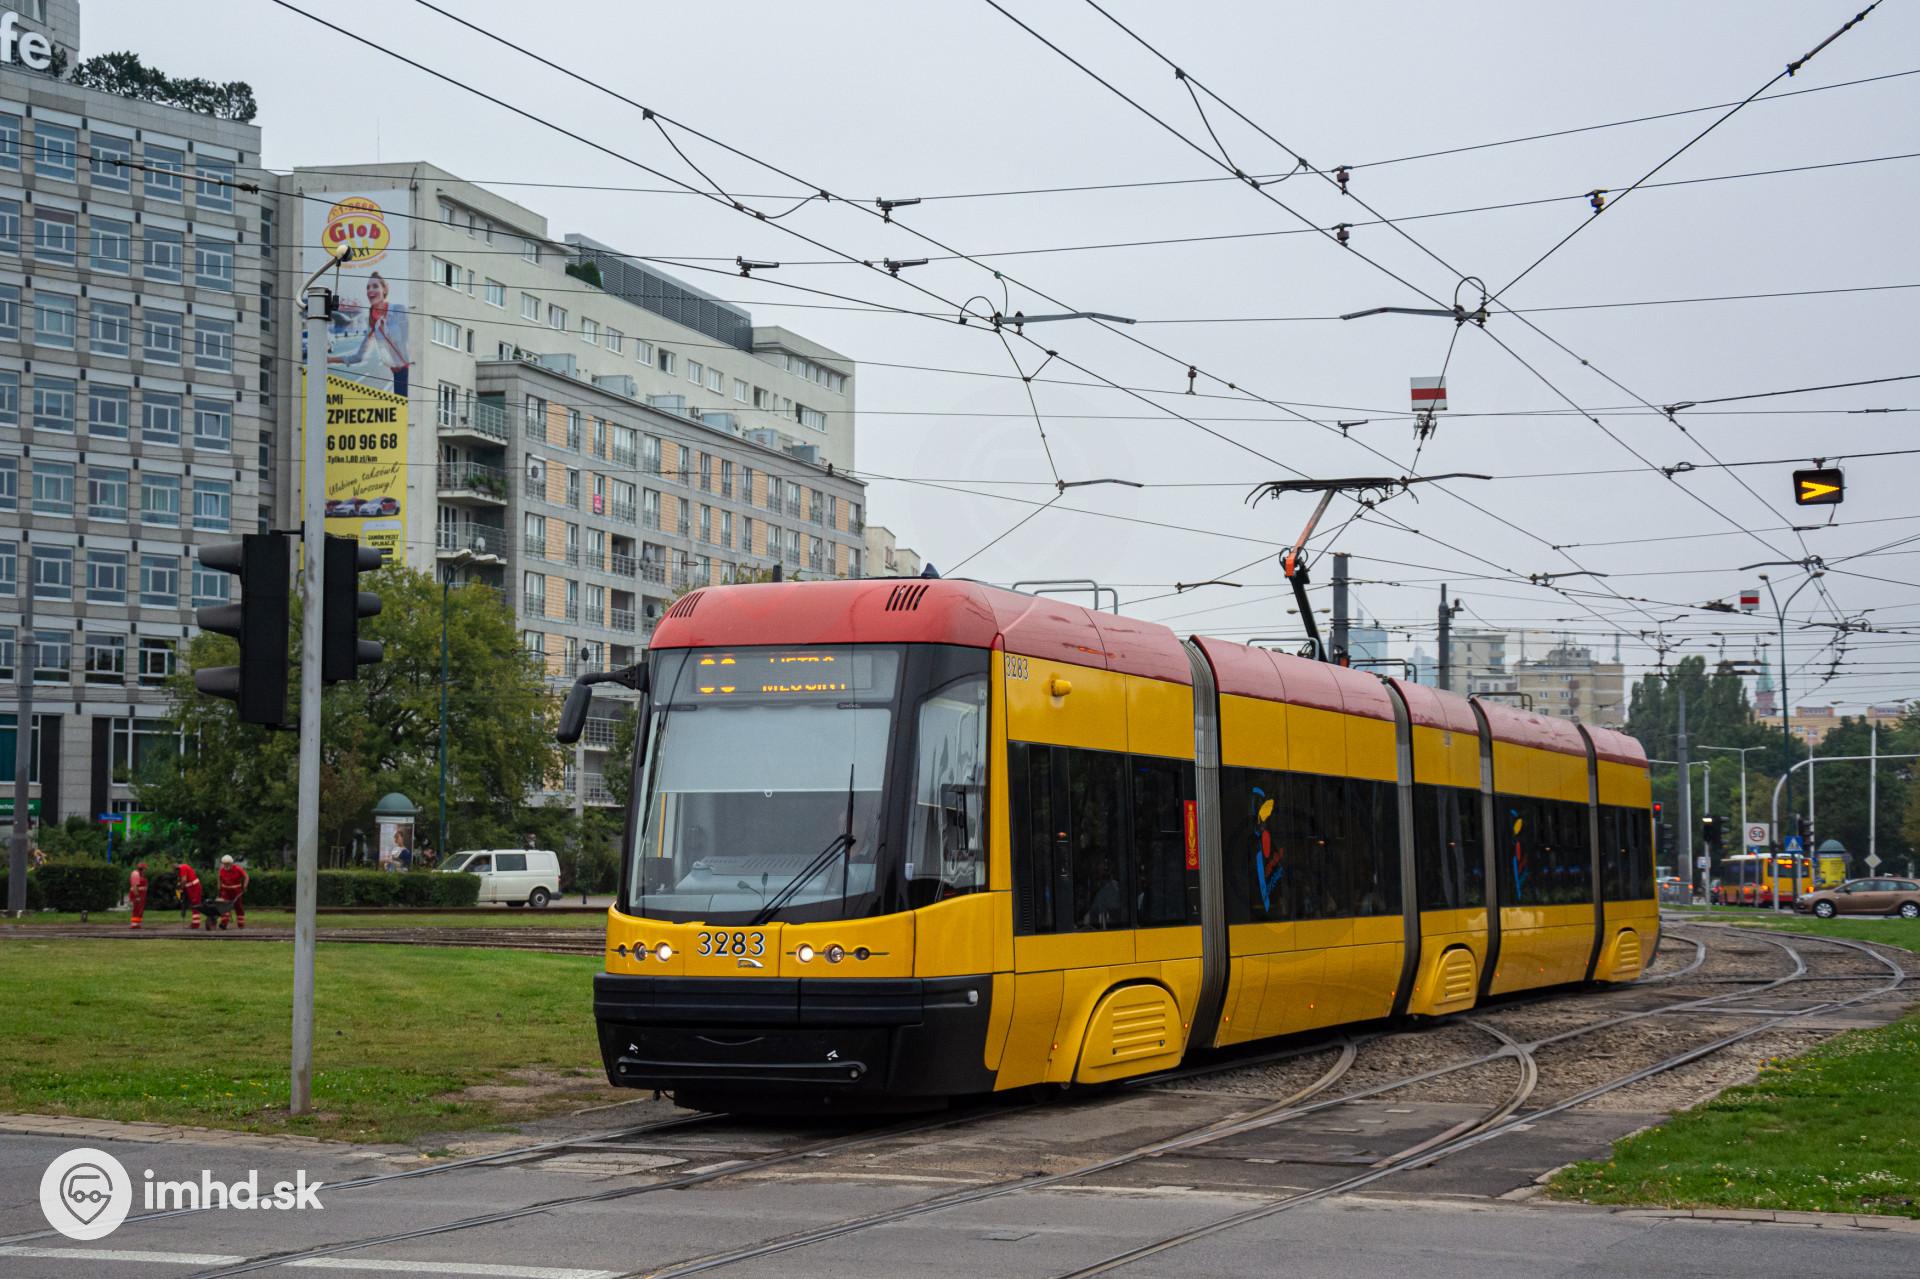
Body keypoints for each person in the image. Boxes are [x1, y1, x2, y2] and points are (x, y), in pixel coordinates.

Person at [328, 271, 411, 395]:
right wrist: (330, 359)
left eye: (375, 286)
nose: (370, 290)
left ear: (384, 290)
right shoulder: (372, 321)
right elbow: (359, 356)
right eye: (368, 287)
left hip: (413, 372)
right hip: (398, 376)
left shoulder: (400, 310)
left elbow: (416, 339)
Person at [216, 854, 249, 930]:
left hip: (236, 891)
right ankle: (224, 923)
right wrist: (219, 889)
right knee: (225, 907)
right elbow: (219, 879)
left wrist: (244, 886)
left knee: (238, 907)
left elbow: (246, 876)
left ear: (231, 863)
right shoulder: (222, 870)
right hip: (225, 891)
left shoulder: (238, 869)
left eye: (227, 864)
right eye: (224, 864)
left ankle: (241, 924)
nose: (226, 865)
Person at [176, 861, 205, 929]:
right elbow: (182, 880)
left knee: (195, 905)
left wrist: (181, 888)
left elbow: (184, 880)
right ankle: (195, 923)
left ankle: (195, 924)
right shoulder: (181, 869)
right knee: (194, 905)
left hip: (194, 887)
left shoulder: (182, 867)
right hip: (191, 887)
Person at [128, 862, 149, 930]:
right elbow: (134, 886)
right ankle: (134, 924)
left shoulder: (141, 875)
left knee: (140, 909)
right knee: (136, 909)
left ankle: (137, 923)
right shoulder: (135, 874)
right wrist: (137, 896)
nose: (145, 870)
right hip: (137, 894)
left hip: (141, 895)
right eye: (145, 869)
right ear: (142, 868)